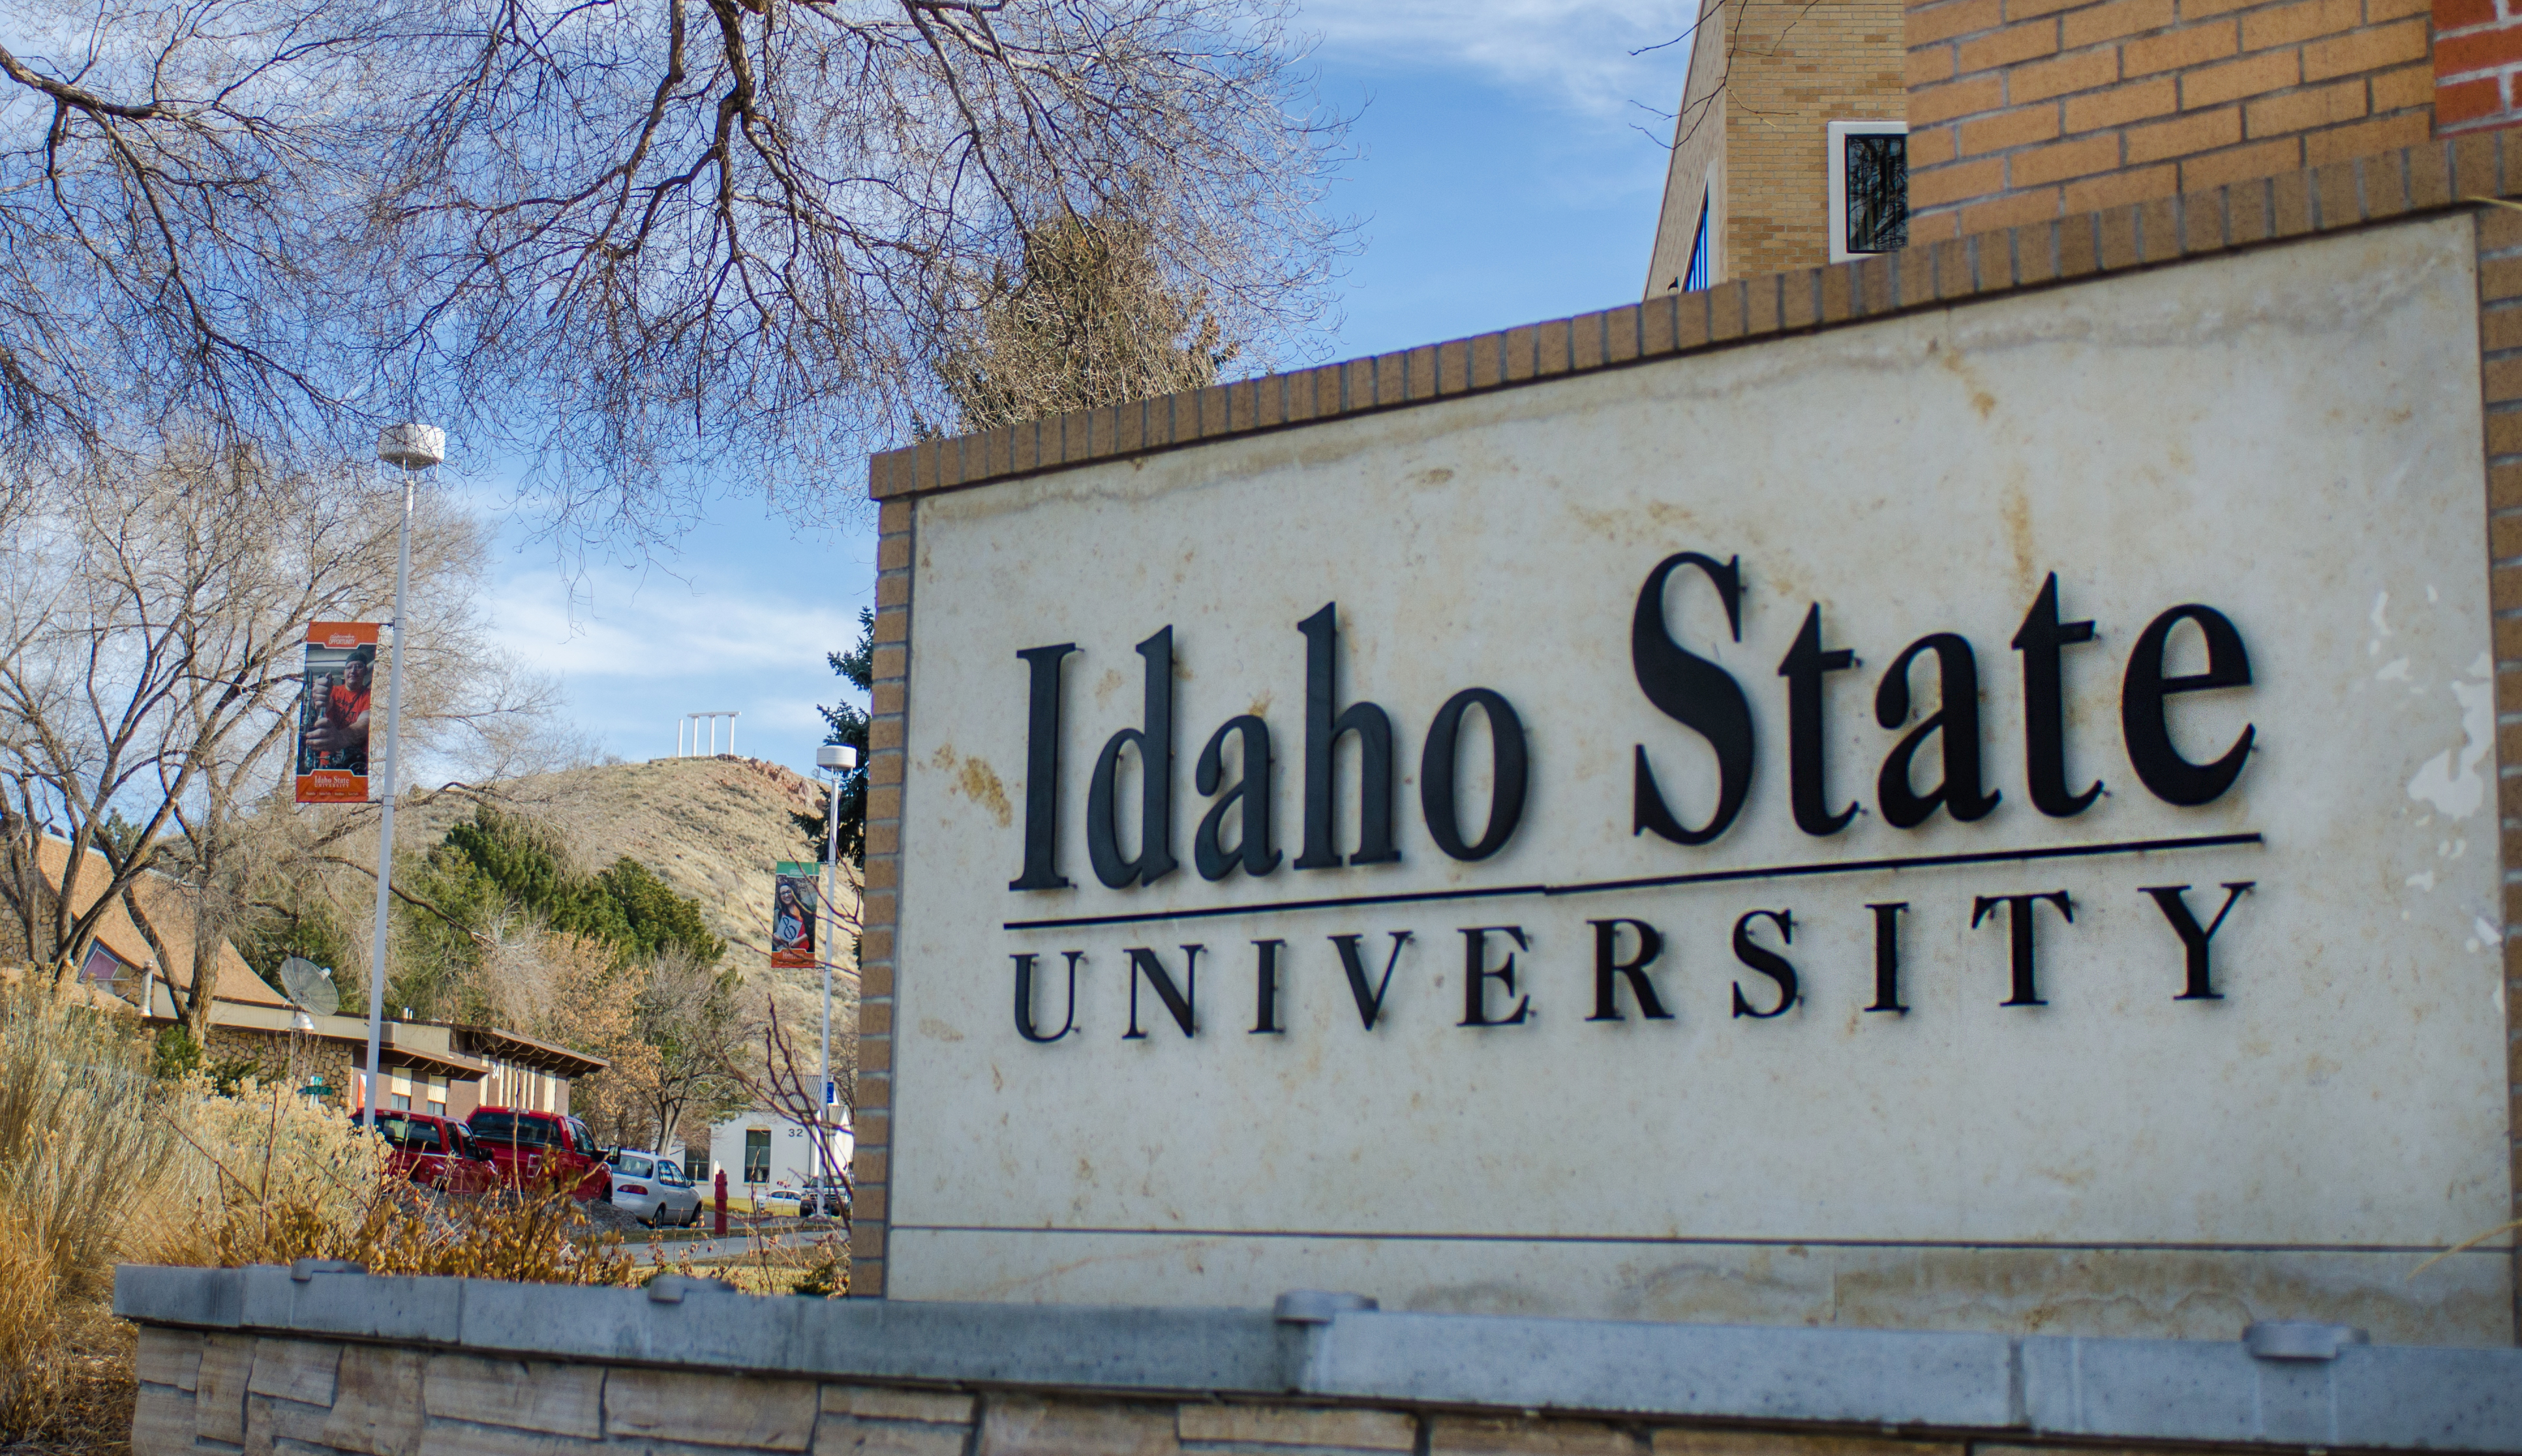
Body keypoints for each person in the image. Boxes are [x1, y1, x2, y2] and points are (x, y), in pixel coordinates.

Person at [304, 647, 373, 774]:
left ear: (366, 671)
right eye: (349, 667)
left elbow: (365, 723)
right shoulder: (334, 691)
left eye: (358, 666)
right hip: (326, 763)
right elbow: (326, 704)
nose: (353, 671)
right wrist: (320, 700)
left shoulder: (371, 696)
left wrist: (341, 738)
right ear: (344, 672)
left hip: (355, 766)